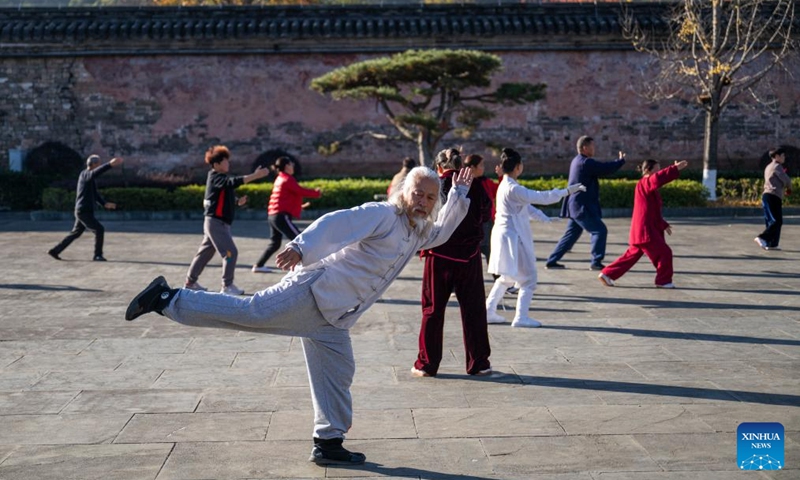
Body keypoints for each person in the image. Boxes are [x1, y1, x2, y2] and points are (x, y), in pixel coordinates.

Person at [125, 166, 474, 466]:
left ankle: (328, 443)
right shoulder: (383, 214)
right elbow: (337, 224)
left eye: (430, 198)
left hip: (335, 316)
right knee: (253, 311)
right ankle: (168, 298)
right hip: (315, 291)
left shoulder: (418, 231)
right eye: (418, 193)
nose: (423, 202)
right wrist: (300, 246)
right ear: (404, 191)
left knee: (337, 371)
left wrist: (457, 194)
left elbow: (442, 233)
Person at [412, 149, 492, 378]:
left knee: (432, 310)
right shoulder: (476, 185)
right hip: (469, 256)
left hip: (438, 256)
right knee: (474, 310)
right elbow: (486, 214)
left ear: (438, 167)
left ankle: (427, 364)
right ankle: (479, 363)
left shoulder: (434, 187)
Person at [485, 148, 585, 328]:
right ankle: (520, 317)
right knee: (528, 278)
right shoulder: (514, 188)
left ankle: (489, 311)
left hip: (507, 235)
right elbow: (541, 197)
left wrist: (544, 218)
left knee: (506, 277)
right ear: (517, 167)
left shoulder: (506, 186)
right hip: (513, 237)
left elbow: (528, 207)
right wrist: (567, 191)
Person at [185, 145, 269, 295]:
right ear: (216, 164)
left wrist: (237, 202)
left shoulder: (219, 179)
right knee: (230, 252)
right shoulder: (216, 177)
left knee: (205, 253)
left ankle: (190, 282)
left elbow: (224, 195)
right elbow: (232, 182)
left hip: (214, 222)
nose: (228, 164)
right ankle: (227, 285)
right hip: (216, 223)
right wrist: (255, 176)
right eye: (225, 161)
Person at [598, 159, 688, 289]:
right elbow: (657, 179)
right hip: (646, 231)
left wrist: (663, 224)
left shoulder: (645, 185)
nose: (659, 172)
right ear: (647, 170)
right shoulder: (646, 181)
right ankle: (663, 281)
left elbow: (650, 210)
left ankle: (607, 274)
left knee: (631, 256)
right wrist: (674, 169)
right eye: (657, 169)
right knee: (665, 253)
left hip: (642, 229)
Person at [546, 136, 626, 270]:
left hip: (575, 205)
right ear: (585, 148)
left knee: (571, 235)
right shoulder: (585, 162)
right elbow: (605, 169)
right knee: (599, 231)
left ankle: (552, 260)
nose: (594, 149)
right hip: (581, 207)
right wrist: (620, 161)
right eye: (592, 146)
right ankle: (596, 262)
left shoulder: (576, 161)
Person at [47, 154, 123, 261]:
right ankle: (97, 255)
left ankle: (55, 251)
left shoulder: (89, 178)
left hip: (83, 211)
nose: (99, 166)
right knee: (99, 229)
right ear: (94, 164)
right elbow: (95, 173)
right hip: (83, 211)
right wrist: (109, 165)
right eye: (99, 164)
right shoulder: (85, 174)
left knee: (75, 233)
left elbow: (95, 194)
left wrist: (104, 203)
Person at [252, 157, 321, 273]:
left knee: (275, 243)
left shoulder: (280, 178)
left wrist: (299, 206)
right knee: (300, 239)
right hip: (280, 217)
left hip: (273, 216)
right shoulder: (287, 179)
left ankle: (259, 265)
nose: (293, 166)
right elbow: (300, 191)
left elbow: (285, 199)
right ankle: (308, 267)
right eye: (291, 164)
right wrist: (317, 193)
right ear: (286, 166)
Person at [755, 148, 792, 251]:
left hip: (767, 196)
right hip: (773, 196)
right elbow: (786, 179)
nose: (784, 157)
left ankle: (772, 244)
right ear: (776, 156)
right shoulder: (777, 166)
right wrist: (789, 188)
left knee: (771, 220)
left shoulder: (768, 166)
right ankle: (762, 237)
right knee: (777, 221)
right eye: (783, 155)